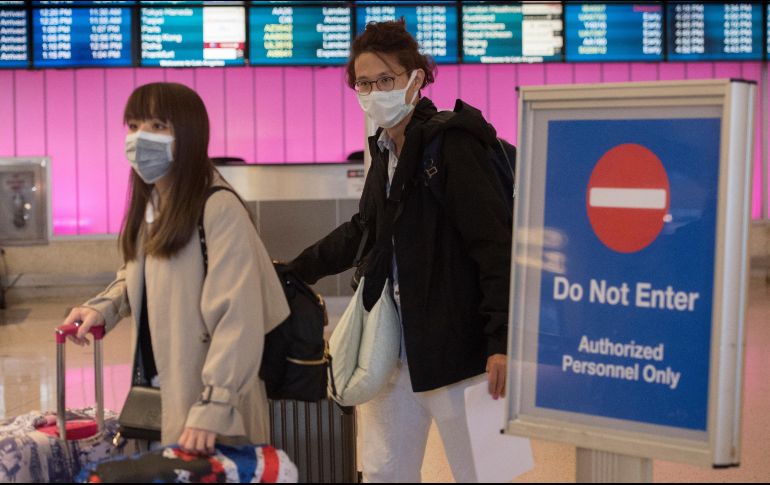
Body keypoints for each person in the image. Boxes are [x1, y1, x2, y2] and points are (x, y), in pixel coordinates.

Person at [288, 21, 512, 483]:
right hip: (393, 350)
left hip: (462, 352)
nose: (374, 92)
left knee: (486, 475)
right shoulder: (385, 149)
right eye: (364, 83)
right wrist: (292, 271)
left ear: (416, 78)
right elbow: (364, 231)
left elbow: (494, 245)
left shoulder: (454, 144)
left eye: (385, 80)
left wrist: (502, 341)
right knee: (386, 473)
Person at [60, 82, 289, 454]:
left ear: (189, 134)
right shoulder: (152, 204)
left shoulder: (217, 208)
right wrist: (103, 308)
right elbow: (138, 273)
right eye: (133, 126)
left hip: (213, 406)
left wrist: (214, 405)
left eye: (157, 126)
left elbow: (239, 318)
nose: (139, 138)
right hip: (164, 388)